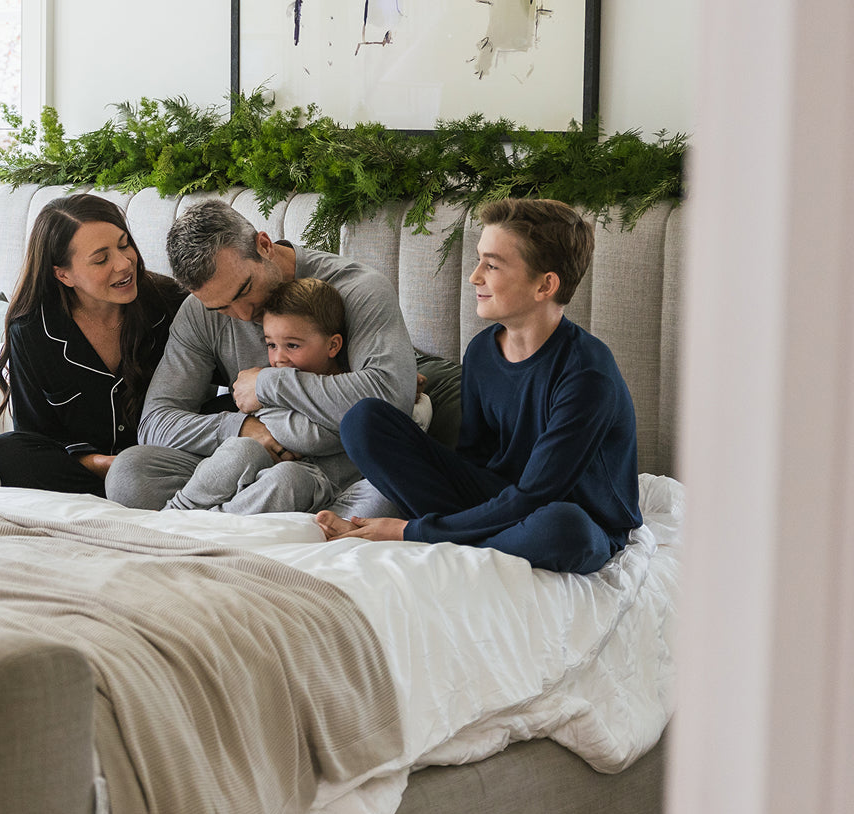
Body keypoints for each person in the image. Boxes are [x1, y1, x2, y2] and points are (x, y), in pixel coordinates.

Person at [318, 197, 642, 574]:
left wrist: (410, 531)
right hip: (501, 497)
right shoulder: (482, 352)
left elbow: (537, 495)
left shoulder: (588, 374)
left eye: (492, 264)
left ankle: (439, 536)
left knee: (562, 529)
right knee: (364, 420)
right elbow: (473, 463)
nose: (474, 276)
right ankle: (459, 536)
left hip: (573, 516)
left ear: (545, 285)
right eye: (479, 260)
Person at [106, 199, 416, 514]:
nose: (242, 314)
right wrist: (244, 429)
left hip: (339, 476)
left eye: (244, 290)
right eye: (221, 307)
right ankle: (231, 516)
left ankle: (213, 523)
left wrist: (267, 384)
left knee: (390, 496)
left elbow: (391, 400)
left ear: (264, 245)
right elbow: (156, 423)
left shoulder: (358, 290)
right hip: (246, 462)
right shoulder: (199, 311)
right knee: (130, 474)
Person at [0, 193, 186, 496]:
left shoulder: (168, 302)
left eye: (124, 244)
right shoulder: (31, 330)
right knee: (4, 452)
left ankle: (145, 487)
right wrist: (105, 464)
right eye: (101, 258)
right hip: (89, 468)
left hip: (167, 459)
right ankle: (133, 489)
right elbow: (36, 433)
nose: (124, 263)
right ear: (63, 274)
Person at [164, 277, 349, 513]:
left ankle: (212, 524)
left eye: (292, 345)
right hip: (261, 471)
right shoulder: (277, 377)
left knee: (289, 477)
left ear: (332, 346)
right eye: (271, 345)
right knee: (242, 449)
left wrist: (266, 394)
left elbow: (309, 437)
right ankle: (176, 512)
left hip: (317, 483)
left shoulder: (343, 390)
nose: (278, 358)